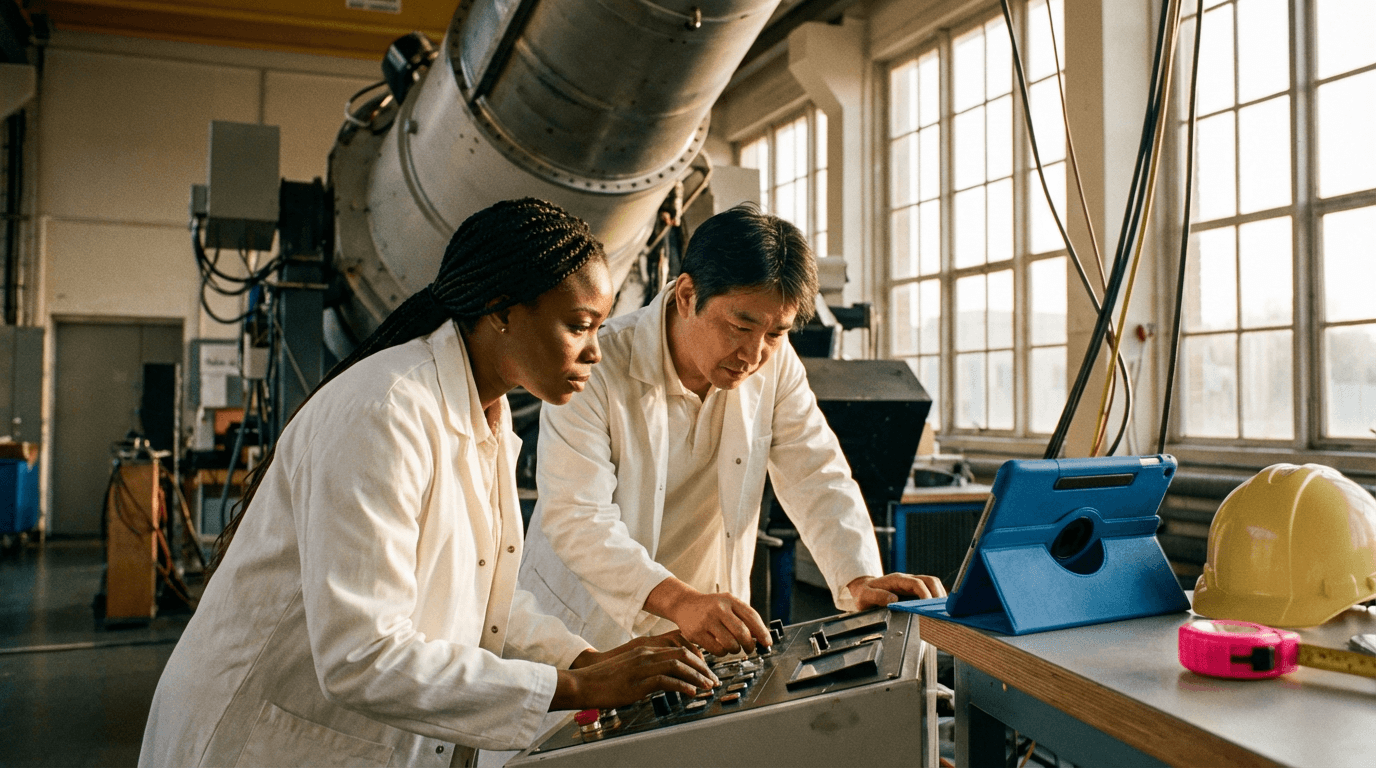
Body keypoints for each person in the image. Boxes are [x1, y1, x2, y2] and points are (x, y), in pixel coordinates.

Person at [140, 199, 715, 768]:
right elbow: (360, 656)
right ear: (501, 310)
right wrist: (577, 688)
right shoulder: (385, 413)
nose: (594, 351)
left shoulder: (482, 416)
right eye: (579, 326)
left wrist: (588, 660)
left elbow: (481, 598)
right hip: (256, 740)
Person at [519, 204, 946, 657]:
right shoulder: (596, 365)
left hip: (701, 627)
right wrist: (680, 601)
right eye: (740, 326)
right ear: (687, 295)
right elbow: (579, 517)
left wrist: (859, 577)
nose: (753, 354)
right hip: (584, 629)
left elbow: (816, 472)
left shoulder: (775, 365)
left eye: (775, 334)